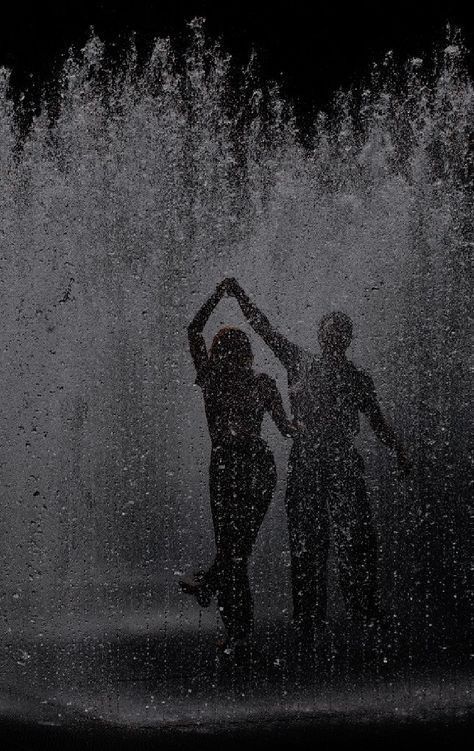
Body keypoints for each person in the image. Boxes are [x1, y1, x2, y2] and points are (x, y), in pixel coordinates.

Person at [223, 278, 410, 659]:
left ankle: (361, 610)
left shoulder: (357, 378)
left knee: (355, 539)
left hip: (339, 463)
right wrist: (241, 297)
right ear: (322, 336)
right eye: (330, 330)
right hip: (309, 462)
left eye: (341, 332)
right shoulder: (299, 362)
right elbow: (264, 329)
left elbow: (377, 423)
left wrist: (400, 451)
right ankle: (310, 618)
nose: (334, 337)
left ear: (346, 339)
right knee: (309, 542)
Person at [179, 280, 295, 657]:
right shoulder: (259, 382)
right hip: (255, 465)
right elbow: (287, 429)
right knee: (236, 552)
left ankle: (229, 618)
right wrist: (305, 423)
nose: (229, 354)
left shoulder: (214, 380)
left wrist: (219, 295)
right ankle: (233, 625)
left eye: (230, 348)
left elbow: (194, 329)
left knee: (233, 551)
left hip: (231, 465)